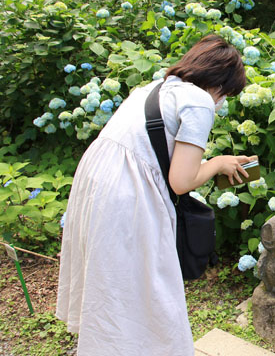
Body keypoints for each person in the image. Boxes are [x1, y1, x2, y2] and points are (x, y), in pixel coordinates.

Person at [56, 35, 254, 355]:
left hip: (97, 181)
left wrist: (216, 163)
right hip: (128, 194)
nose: (222, 101)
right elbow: (181, 181)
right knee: (147, 288)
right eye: (226, 93)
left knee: (112, 282)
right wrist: (218, 163)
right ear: (220, 82)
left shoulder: (151, 89)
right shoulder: (199, 101)